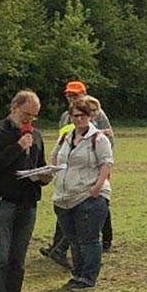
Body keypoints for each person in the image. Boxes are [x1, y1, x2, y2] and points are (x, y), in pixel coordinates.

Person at [0, 90, 52, 292]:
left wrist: (45, 176)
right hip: (1, 202)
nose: (29, 121)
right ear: (13, 108)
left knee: (18, 259)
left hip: (27, 202)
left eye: (33, 117)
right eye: (26, 115)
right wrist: (16, 147)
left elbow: (38, 165)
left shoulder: (37, 135)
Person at [43, 80, 114, 266]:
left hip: (90, 181)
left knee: (91, 221)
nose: (72, 98)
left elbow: (107, 149)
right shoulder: (66, 118)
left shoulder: (97, 118)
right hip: (68, 183)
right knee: (72, 222)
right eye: (69, 95)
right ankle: (62, 250)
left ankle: (96, 250)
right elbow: (59, 149)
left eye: (75, 94)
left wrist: (99, 183)